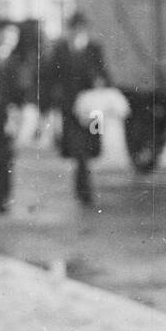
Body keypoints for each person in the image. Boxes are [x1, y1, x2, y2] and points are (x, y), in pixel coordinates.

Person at [46, 12, 109, 204]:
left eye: (81, 29)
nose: (78, 33)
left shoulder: (95, 49)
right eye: (75, 29)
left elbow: (104, 74)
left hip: (93, 109)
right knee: (79, 150)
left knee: (93, 148)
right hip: (70, 108)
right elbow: (50, 77)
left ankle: (84, 183)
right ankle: (84, 190)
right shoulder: (61, 50)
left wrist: (100, 81)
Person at [0, 20, 27, 212]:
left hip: (8, 116)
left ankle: (3, 197)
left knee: (5, 158)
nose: (9, 40)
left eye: (13, 37)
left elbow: (22, 92)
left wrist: (17, 114)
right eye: (6, 35)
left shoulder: (16, 63)